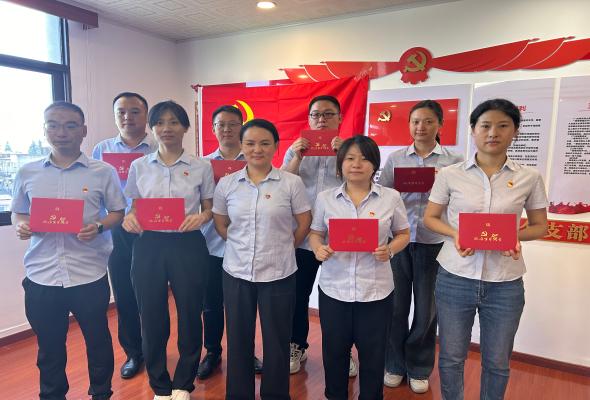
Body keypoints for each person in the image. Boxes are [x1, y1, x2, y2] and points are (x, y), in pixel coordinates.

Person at [423, 99, 548, 400]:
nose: (493, 133)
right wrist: (456, 234)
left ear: (515, 131)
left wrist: (515, 237)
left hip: (505, 282)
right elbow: (431, 218)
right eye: (486, 126)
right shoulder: (450, 174)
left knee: (497, 362)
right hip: (455, 277)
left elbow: (539, 226)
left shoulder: (529, 177)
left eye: (503, 126)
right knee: (451, 357)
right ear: (473, 130)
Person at [11, 101, 127, 400]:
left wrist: (98, 226)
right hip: (42, 275)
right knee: (49, 348)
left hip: (88, 273)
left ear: (83, 131)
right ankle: (52, 395)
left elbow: (117, 211)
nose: (61, 132)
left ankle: (101, 393)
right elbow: (19, 212)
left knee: (98, 342)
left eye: (70, 125)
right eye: (53, 125)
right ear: (45, 129)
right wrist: (21, 225)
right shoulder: (27, 172)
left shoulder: (102, 172)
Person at [213, 119, 312, 400]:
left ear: (276, 146)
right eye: (250, 143)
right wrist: (240, 246)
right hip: (236, 272)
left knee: (277, 340)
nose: (257, 149)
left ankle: (276, 395)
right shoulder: (228, 184)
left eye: (265, 143)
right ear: (241, 146)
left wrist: (284, 247)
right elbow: (221, 224)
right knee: (238, 339)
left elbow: (304, 222)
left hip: (279, 273)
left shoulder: (291, 183)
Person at [122, 100, 215, 400]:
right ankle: (160, 385)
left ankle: (183, 383)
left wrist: (201, 217)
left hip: (188, 244)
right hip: (149, 245)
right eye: (160, 122)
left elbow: (210, 207)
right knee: (151, 315)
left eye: (174, 122)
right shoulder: (139, 166)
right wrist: (130, 219)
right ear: (152, 128)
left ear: (185, 127)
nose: (166, 128)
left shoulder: (201, 166)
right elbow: (132, 207)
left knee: (190, 312)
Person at [309, 135, 411, 400]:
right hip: (334, 289)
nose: (356, 164)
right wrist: (318, 248)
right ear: (340, 163)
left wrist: (390, 249)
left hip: (375, 291)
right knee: (334, 353)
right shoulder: (325, 198)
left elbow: (403, 234)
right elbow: (315, 233)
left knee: (374, 355)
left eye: (364, 159)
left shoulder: (390, 198)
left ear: (374, 164)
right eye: (350, 158)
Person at [378, 100, 463, 393]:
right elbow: (382, 195)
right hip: (399, 241)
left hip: (434, 243)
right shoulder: (395, 158)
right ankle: (394, 364)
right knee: (395, 307)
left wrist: (441, 185)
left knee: (427, 311)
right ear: (409, 125)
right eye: (415, 121)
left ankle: (418, 367)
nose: (421, 127)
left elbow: (461, 200)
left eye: (428, 121)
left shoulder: (454, 162)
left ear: (440, 124)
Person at [282, 95, 358, 376]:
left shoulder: (351, 151)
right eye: (316, 115)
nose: (321, 120)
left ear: (340, 118)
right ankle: (296, 345)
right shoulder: (295, 150)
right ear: (309, 119)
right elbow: (280, 184)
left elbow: (359, 185)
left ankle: (343, 352)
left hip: (340, 238)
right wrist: (296, 158)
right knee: (297, 296)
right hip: (303, 237)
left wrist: (344, 156)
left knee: (340, 299)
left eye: (328, 114)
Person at [92, 92, 157, 379]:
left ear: (146, 115)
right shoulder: (102, 149)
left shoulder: (157, 146)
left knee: (152, 295)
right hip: (117, 230)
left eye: (134, 111)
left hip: (152, 229)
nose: (127, 117)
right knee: (124, 293)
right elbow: (94, 191)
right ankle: (134, 352)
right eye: (121, 112)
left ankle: (155, 349)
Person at [197, 105, 263, 379]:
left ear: (242, 127)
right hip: (211, 246)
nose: (226, 129)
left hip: (246, 246)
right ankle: (212, 352)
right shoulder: (201, 165)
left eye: (233, 124)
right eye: (221, 124)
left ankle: (246, 353)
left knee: (244, 307)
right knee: (211, 305)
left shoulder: (255, 161)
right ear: (213, 129)